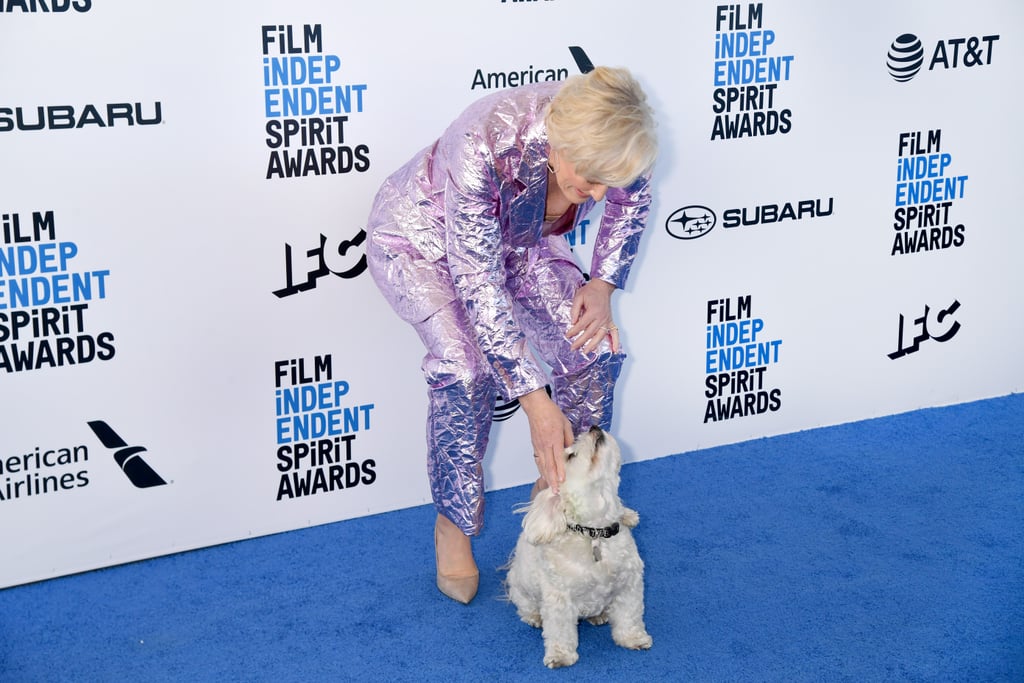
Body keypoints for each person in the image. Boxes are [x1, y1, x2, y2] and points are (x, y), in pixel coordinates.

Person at [366, 66, 657, 604]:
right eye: (587, 178)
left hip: (521, 242)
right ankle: (453, 525)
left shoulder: (619, 139)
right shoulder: (482, 140)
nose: (593, 194)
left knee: (595, 347)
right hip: (422, 242)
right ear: (558, 141)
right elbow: (478, 282)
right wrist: (533, 399)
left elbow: (629, 199)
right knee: (466, 371)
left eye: (603, 183)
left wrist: (602, 281)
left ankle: (557, 497)